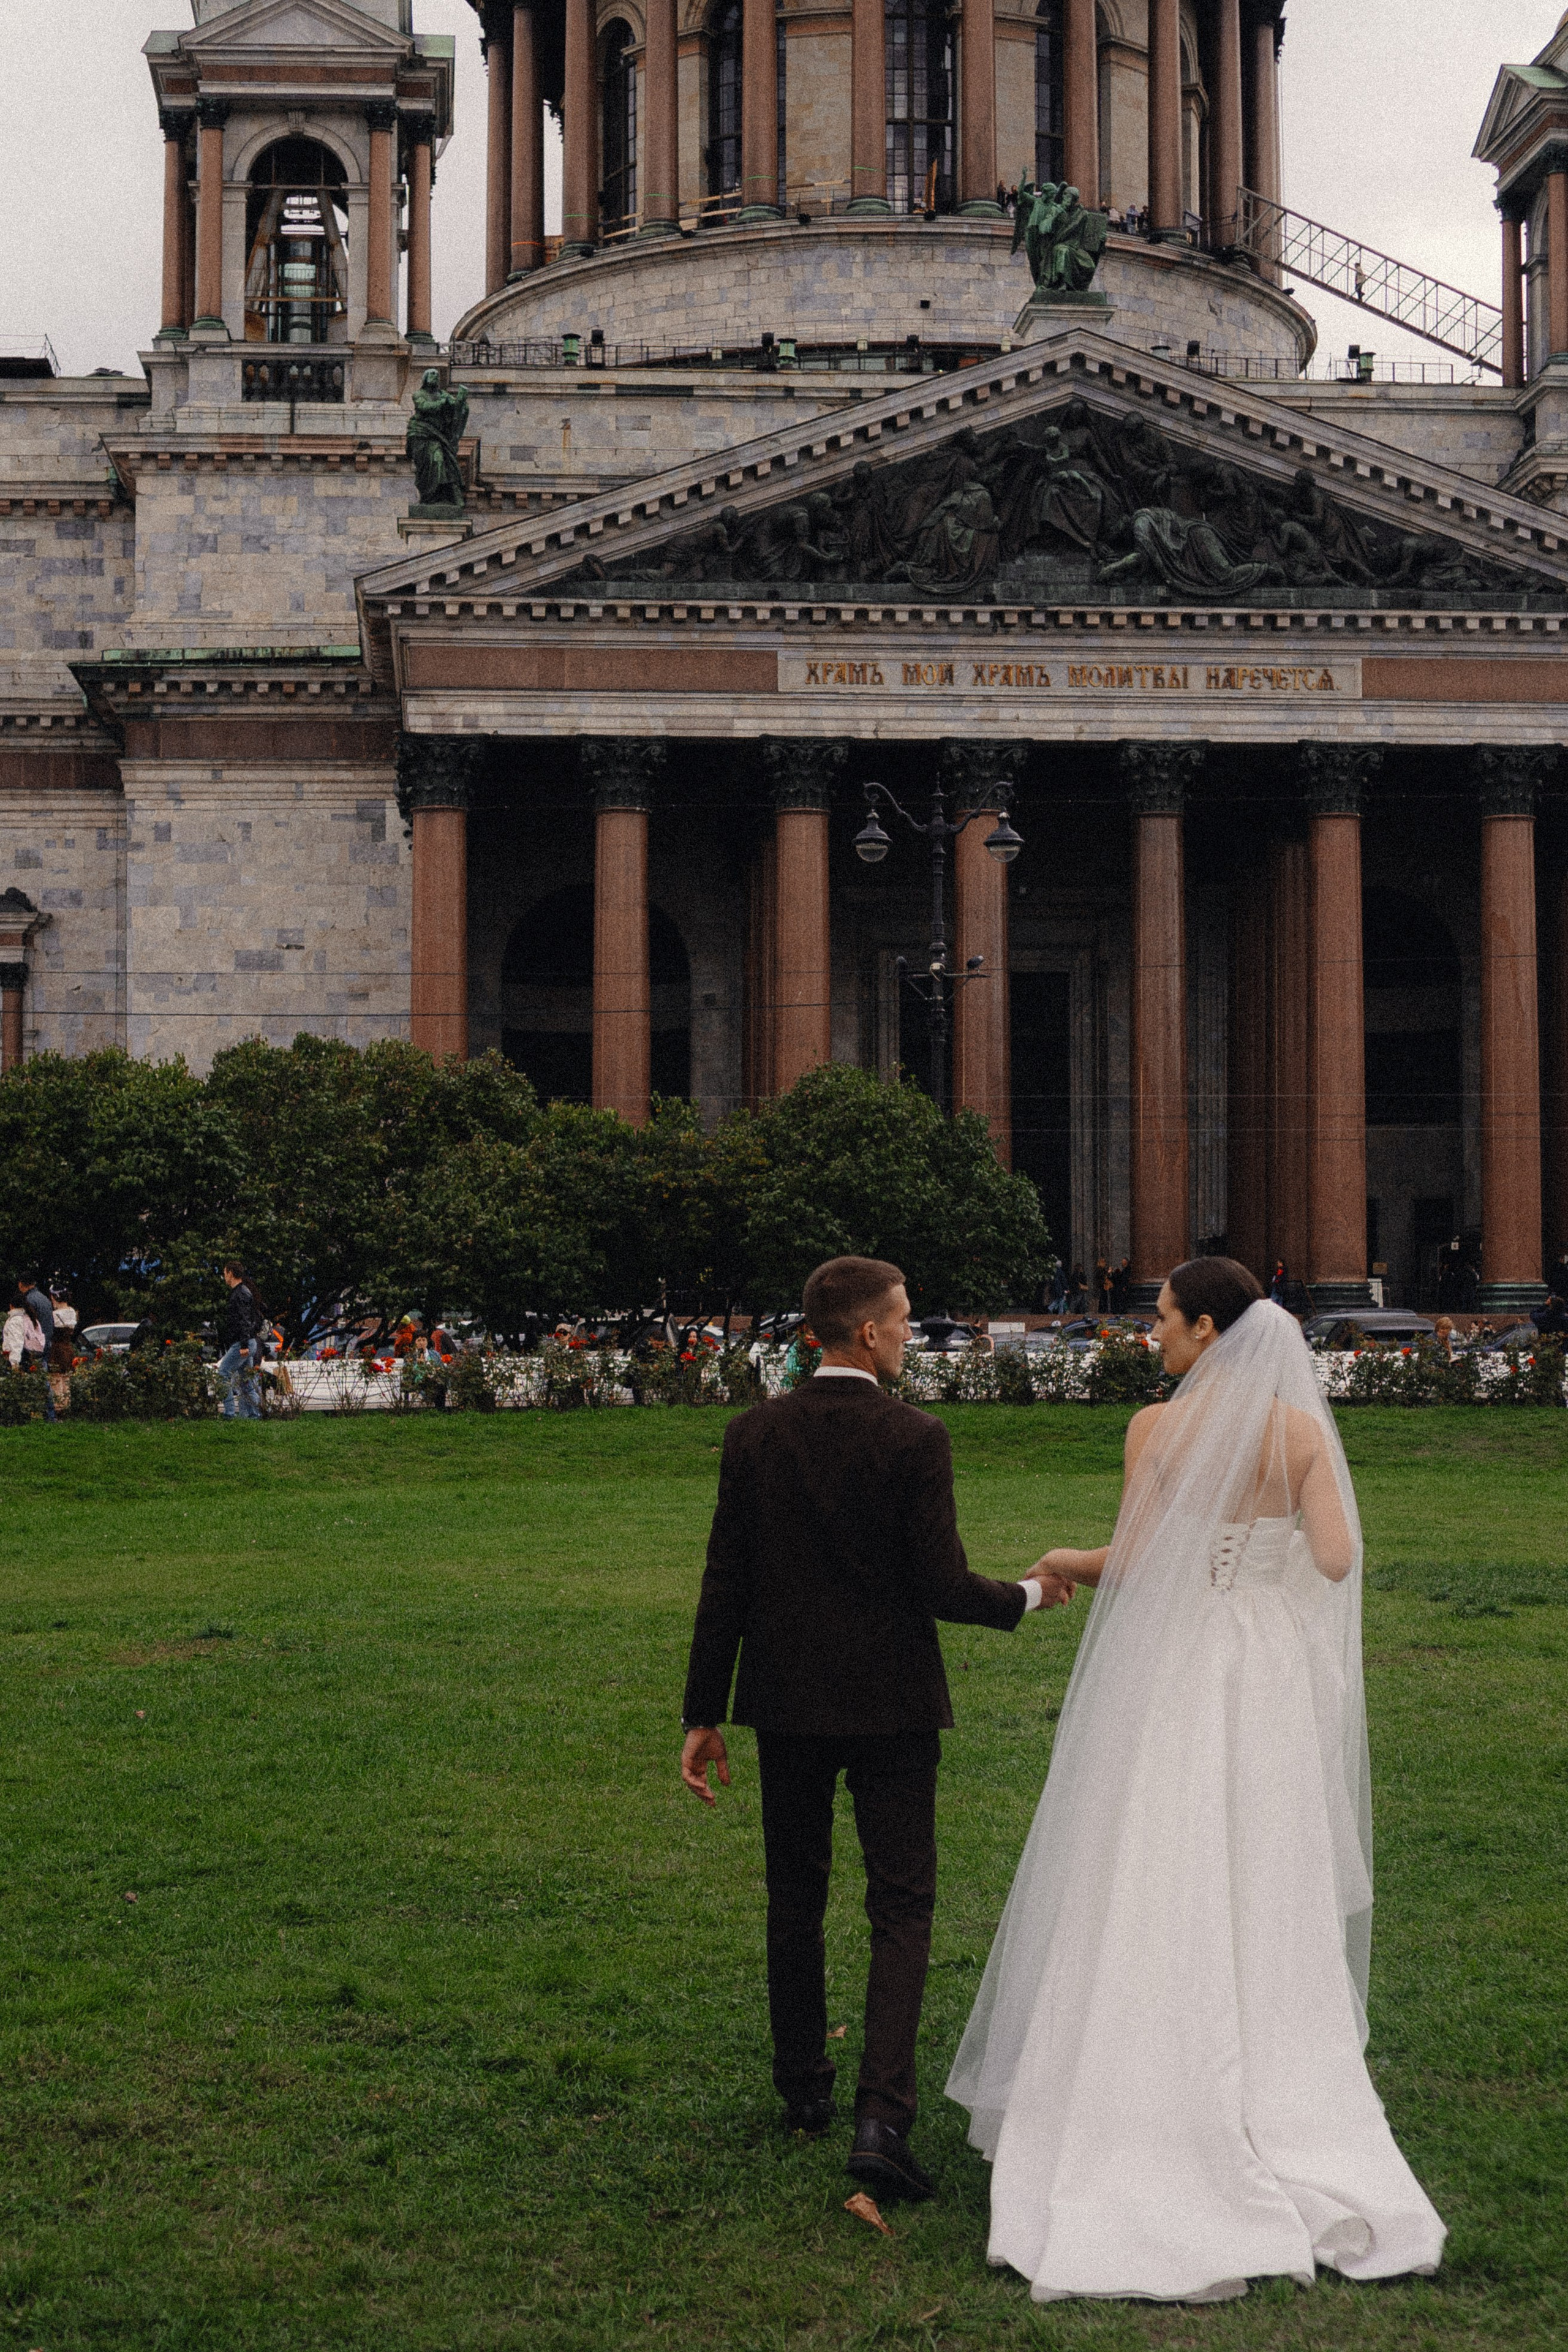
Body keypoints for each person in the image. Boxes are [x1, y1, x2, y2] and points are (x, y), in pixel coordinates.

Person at [947, 1258, 1446, 2302]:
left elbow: (1133, 1563)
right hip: (1265, 1669)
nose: (1156, 1335)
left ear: (1209, 1329)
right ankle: (1282, 2079)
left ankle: (1150, 2073)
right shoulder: (1302, 1436)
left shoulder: (1158, 1430)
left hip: (1183, 1663)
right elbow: (1337, 1560)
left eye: (1166, 1319)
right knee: (1264, 1857)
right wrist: (1266, 1572)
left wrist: (1064, 1558)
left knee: (1161, 1847)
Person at [679, 1256, 1074, 2204]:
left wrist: (703, 1711)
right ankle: (881, 2121)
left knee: (795, 1894)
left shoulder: (753, 1434)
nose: (907, 1336)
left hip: (787, 1704)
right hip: (893, 1704)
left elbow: (725, 1580)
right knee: (901, 1905)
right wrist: (1029, 1595)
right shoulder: (914, 1436)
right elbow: (941, 1585)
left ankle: (802, 2089)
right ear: (866, 1332)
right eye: (901, 1322)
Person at [217, 1261, 263, 1420]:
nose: (224, 1277)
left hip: (242, 1343)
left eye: (225, 1273)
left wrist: (243, 1345)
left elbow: (244, 1321)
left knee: (223, 1374)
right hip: (247, 1342)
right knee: (246, 1381)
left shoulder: (240, 1294)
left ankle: (229, 1413)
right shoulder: (243, 1292)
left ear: (231, 1273)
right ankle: (254, 1414)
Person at [15, 1272, 55, 1421]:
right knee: (42, 1380)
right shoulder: (44, 1299)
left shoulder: (28, 1301)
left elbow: (27, 1327)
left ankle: (33, 1415)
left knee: (31, 1381)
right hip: (45, 1344)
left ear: (21, 1284)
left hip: (32, 1347)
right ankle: (49, 1415)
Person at [48, 1286, 77, 1413]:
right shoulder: (72, 1312)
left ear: (55, 1298)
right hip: (68, 1348)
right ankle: (66, 1405)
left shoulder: (55, 1315)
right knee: (66, 1377)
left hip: (57, 1349)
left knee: (56, 1377)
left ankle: (58, 1407)